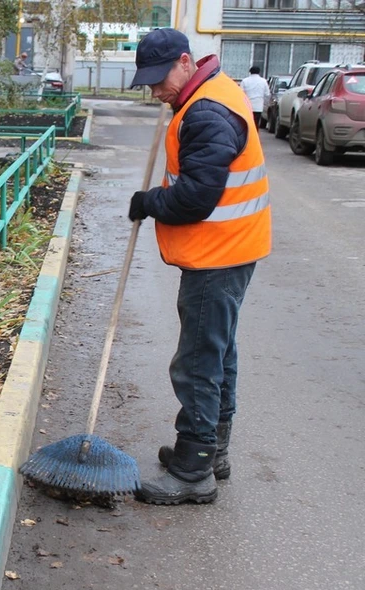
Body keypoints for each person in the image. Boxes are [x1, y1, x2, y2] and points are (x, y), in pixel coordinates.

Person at [127, 29, 271, 505]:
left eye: (158, 79)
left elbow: (195, 197)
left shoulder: (207, 111)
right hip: (231, 249)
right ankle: (213, 453)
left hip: (218, 255)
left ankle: (193, 472)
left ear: (185, 62)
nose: (154, 91)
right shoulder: (209, 96)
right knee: (219, 352)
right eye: (146, 83)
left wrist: (148, 202)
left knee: (197, 362)